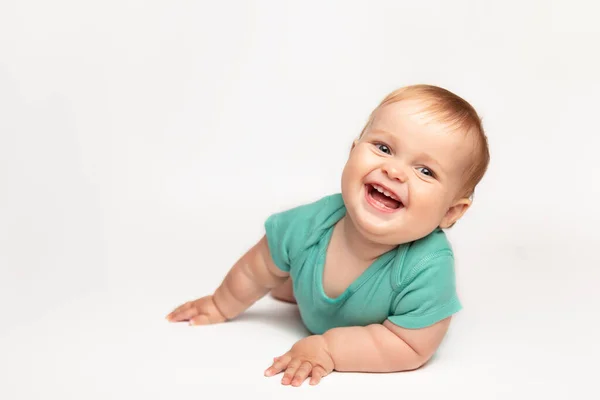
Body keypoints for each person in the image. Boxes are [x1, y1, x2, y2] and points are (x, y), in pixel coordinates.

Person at [166, 84, 490, 386]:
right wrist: (220, 304)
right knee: (277, 276)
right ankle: (296, 286)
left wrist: (329, 348)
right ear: (353, 152)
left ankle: (300, 290)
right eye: (384, 147)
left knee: (291, 284)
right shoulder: (309, 224)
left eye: (425, 171)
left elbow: (410, 344)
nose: (394, 171)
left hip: (378, 321)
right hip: (308, 289)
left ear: (450, 212)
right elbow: (255, 268)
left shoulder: (428, 267)